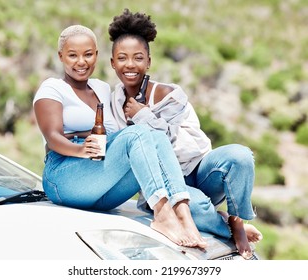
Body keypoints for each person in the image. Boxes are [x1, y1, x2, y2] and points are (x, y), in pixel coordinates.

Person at [32, 24, 208, 249]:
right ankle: (163, 215)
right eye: (72, 55)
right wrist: (79, 149)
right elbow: (53, 136)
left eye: (88, 54)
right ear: (61, 56)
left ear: (96, 55)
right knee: (140, 132)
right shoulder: (53, 88)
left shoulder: (102, 89)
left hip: (99, 181)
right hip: (64, 174)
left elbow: (118, 137)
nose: (81, 61)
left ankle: (184, 215)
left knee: (153, 134)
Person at [109, 9, 263, 259]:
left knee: (240, 156)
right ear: (113, 62)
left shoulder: (170, 94)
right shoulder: (112, 101)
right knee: (197, 208)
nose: (130, 65)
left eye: (138, 58)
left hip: (199, 170)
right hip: (165, 184)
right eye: (122, 58)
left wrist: (141, 114)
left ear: (149, 61)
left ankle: (236, 220)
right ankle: (223, 225)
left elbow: (165, 143)